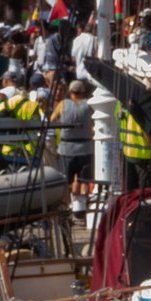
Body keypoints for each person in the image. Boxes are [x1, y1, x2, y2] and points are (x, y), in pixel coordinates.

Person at [51, 78, 94, 215]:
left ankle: (70, 206)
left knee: (67, 180)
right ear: (83, 92)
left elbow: (52, 119)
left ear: (70, 92)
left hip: (67, 148)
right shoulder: (89, 105)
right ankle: (81, 207)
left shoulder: (63, 104)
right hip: (86, 148)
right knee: (84, 180)